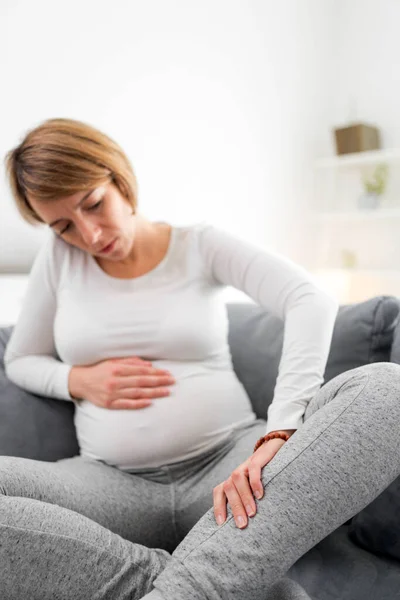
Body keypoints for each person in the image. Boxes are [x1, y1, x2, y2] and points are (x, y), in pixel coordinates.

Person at [1, 118, 399, 600]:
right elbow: (21, 357)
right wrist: (78, 380)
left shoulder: (198, 244)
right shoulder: (59, 260)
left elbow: (308, 297)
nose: (88, 233)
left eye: (93, 204)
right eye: (63, 225)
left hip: (230, 463)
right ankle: (182, 586)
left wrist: (281, 430)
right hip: (106, 483)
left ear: (119, 180)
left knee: (387, 390)